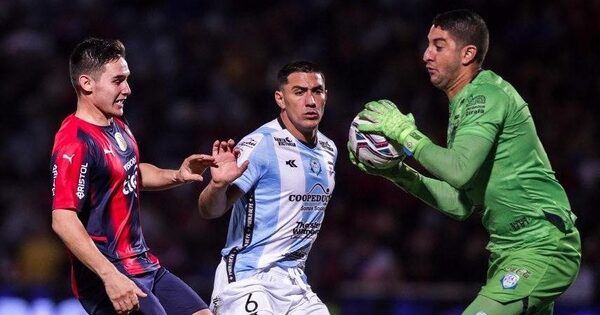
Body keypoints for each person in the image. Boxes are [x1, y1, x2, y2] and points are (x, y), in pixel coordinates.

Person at [349, 9, 581, 315]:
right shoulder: (462, 108)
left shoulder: (486, 96)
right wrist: (398, 172)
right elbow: (460, 203)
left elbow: (458, 170)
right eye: (427, 45)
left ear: (468, 53)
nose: (426, 55)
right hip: (507, 252)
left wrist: (404, 134)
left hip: (542, 245)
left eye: (438, 45)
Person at [50, 38, 213, 315]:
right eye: (118, 81)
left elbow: (129, 172)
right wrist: (110, 277)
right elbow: (63, 220)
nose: (127, 89)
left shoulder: (116, 124)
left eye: (127, 79)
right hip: (107, 273)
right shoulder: (74, 142)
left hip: (143, 264)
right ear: (87, 84)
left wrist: (176, 175)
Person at [198, 61, 336, 315]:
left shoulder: (329, 150)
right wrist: (217, 185)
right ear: (280, 99)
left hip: (295, 282)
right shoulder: (259, 145)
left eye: (317, 91)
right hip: (248, 278)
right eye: (299, 92)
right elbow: (210, 210)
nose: (311, 101)